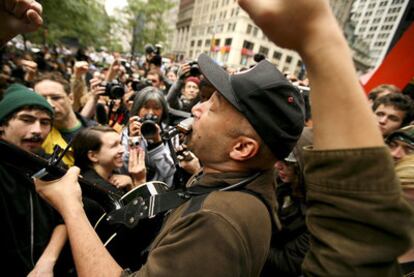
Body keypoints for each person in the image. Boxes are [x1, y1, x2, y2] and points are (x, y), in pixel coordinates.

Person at [34, 1, 414, 277]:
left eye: (212, 106)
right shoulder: (233, 179)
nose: (196, 110)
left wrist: (71, 206)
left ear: (243, 148)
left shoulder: (217, 221)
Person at [0, 84, 68, 276]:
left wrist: (47, 261)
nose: (37, 130)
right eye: (26, 120)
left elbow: (64, 216)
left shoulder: (52, 166)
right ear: (3, 124)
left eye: (45, 122)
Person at [34, 72, 96, 166]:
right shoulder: (36, 139)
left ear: (71, 98)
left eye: (56, 98)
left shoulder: (97, 130)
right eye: (42, 99)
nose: (50, 104)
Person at [121, 86, 176, 188]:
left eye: (156, 108)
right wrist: (133, 139)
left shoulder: (171, 133)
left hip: (163, 190)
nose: (151, 113)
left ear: (163, 111)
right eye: (146, 107)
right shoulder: (127, 132)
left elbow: (169, 172)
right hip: (134, 188)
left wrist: (157, 142)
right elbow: (123, 169)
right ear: (137, 109)